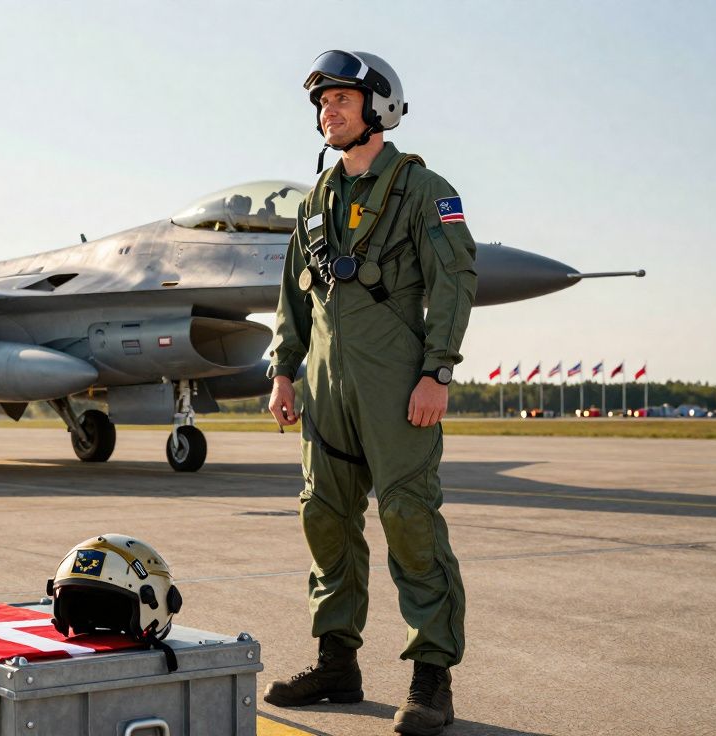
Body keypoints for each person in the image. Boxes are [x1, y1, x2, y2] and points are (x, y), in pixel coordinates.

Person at [263, 50, 478, 736]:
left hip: (397, 389)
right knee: (324, 520)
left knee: (410, 524)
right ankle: (336, 662)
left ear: (378, 108)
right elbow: (295, 294)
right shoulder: (317, 200)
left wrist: (437, 371)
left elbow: (455, 279)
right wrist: (282, 370)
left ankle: (431, 679)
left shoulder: (425, 190)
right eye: (323, 104)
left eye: (342, 101)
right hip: (325, 393)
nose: (329, 112)